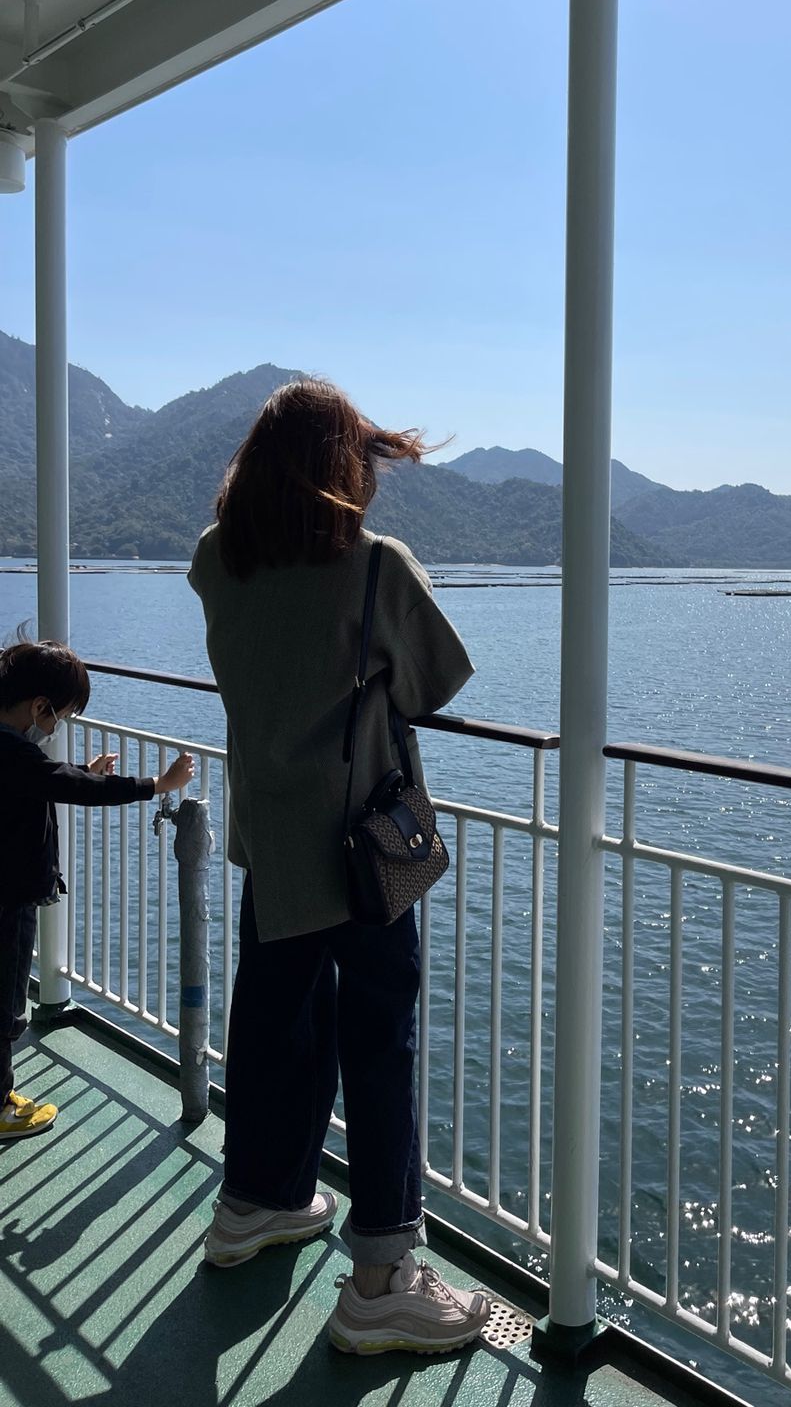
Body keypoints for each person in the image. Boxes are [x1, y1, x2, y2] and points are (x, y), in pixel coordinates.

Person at [187, 378, 490, 1356]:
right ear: (344, 468)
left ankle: (257, 1202)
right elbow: (434, 681)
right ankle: (382, 1278)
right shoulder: (375, 568)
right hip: (357, 855)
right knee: (379, 1042)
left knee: (273, 1023)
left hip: (267, 843)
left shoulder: (212, 560)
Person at [0, 632, 194, 1138]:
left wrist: (80, 771)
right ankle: (0, 1105)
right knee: (4, 999)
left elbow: (46, 782)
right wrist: (157, 785)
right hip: (9, 897)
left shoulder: (11, 752)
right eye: (58, 715)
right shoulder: (15, 754)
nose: (56, 725)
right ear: (39, 705)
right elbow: (65, 786)